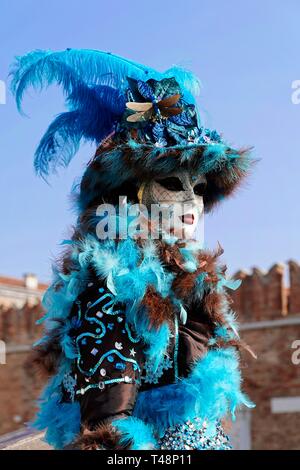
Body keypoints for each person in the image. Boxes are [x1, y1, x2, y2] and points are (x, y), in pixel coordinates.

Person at [11, 49, 255, 450]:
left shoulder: (191, 279)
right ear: (131, 194)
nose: (191, 202)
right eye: (174, 184)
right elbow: (108, 431)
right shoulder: (112, 283)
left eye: (199, 188)